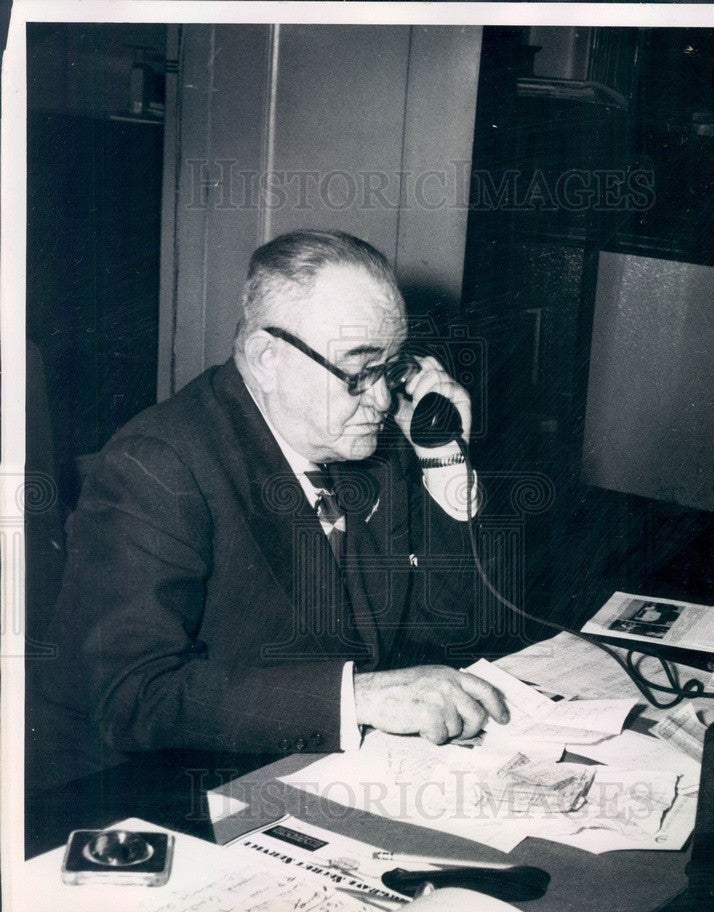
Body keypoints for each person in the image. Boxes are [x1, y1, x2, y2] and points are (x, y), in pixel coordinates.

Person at [28, 230, 508, 788]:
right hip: (146, 791)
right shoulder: (157, 467)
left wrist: (442, 458)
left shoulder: (371, 442)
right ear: (265, 359)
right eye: (358, 372)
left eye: (391, 368)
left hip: (310, 772)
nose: (380, 400)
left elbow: (456, 634)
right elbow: (130, 694)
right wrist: (356, 698)